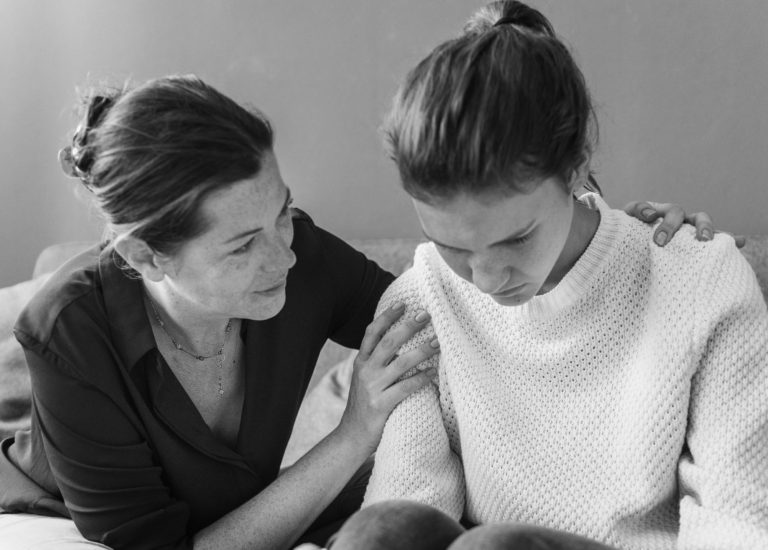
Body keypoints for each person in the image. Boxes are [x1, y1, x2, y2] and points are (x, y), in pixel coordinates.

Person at [0, 74, 721, 550]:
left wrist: (615, 244)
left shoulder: (301, 259)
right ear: (150, 257)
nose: (282, 254)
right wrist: (353, 435)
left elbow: (458, 310)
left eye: (283, 213)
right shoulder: (69, 333)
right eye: (244, 244)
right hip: (59, 519)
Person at [329, 2, 768, 549]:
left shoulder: (700, 282)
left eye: (515, 238)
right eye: (451, 246)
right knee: (379, 532)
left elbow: (739, 522)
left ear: (578, 160)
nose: (485, 279)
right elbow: (407, 500)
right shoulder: (423, 302)